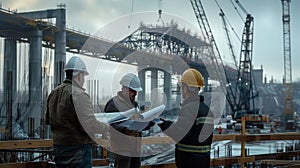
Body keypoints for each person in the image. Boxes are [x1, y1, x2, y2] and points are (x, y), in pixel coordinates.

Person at [45, 56, 110, 168]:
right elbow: (89, 125)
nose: (84, 79)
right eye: (84, 76)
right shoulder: (79, 94)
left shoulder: (53, 93)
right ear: (79, 75)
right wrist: (107, 127)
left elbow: (48, 119)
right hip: (78, 150)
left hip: (59, 148)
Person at [158, 68, 214, 168]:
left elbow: (180, 133)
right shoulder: (206, 109)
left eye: (182, 86)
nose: (181, 89)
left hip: (189, 161)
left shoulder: (189, 108)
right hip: (203, 161)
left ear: (186, 88)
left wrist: (164, 124)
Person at [104, 73, 153, 168]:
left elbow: (137, 124)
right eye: (133, 91)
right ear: (124, 89)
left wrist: (147, 124)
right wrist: (125, 129)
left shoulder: (135, 105)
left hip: (136, 149)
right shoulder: (113, 104)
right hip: (122, 150)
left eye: (136, 91)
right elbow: (110, 126)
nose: (135, 94)